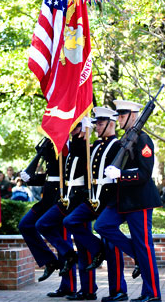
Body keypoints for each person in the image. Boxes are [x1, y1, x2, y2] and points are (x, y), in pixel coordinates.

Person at [94, 100, 162, 302]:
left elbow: (144, 172)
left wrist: (121, 174)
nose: (119, 119)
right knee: (103, 225)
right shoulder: (126, 138)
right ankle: (137, 254)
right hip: (122, 201)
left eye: (122, 116)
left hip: (139, 201)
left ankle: (152, 294)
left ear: (134, 115)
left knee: (145, 246)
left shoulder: (143, 139)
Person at [60, 108, 128, 302]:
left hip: (109, 199)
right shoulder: (96, 145)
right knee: (70, 221)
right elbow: (79, 154)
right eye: (96, 123)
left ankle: (118, 291)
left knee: (112, 246)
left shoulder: (118, 145)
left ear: (111, 124)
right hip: (93, 198)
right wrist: (80, 133)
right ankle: (97, 249)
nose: (96, 126)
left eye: (100, 123)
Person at [35, 120, 98, 300]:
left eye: (75, 128)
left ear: (83, 128)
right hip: (69, 198)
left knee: (85, 247)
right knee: (44, 225)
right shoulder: (74, 147)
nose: (72, 131)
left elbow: (80, 153)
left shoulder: (86, 147)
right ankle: (79, 283)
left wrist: (84, 133)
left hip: (81, 200)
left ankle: (88, 289)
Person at [19, 138, 77, 298]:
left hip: (61, 199)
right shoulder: (52, 144)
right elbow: (50, 176)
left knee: (63, 242)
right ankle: (50, 261)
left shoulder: (66, 146)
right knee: (25, 225)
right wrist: (30, 178)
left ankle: (69, 285)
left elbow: (62, 176)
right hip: (46, 201)